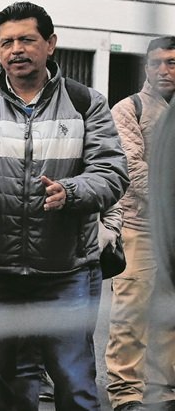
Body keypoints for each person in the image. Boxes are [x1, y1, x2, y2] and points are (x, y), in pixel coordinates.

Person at [0, 1, 127, 411]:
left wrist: (71, 192)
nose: (16, 49)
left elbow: (112, 173)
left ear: (50, 44)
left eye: (27, 39)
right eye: (7, 42)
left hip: (66, 272)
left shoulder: (86, 103)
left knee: (75, 385)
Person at [105, 36, 175, 411]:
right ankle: (126, 393)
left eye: (171, 63)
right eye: (155, 63)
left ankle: (164, 391)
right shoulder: (129, 108)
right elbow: (132, 168)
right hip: (140, 227)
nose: (163, 70)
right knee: (131, 314)